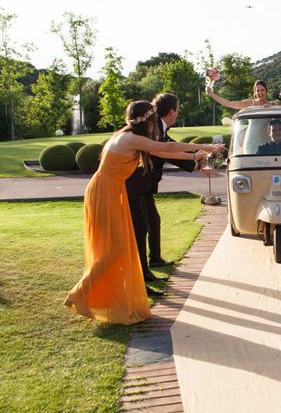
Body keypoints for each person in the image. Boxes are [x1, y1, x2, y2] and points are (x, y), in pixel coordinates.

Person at [64, 101, 221, 325]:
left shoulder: (131, 137)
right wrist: (203, 148)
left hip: (112, 190)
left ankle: (107, 296)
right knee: (114, 249)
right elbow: (167, 148)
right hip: (106, 192)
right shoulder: (130, 139)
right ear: (147, 120)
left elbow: (163, 152)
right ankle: (80, 295)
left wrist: (196, 157)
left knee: (120, 247)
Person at [125, 93, 208, 284]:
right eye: (178, 109)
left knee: (152, 221)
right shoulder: (150, 132)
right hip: (135, 185)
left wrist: (197, 164)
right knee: (142, 227)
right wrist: (198, 155)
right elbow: (168, 150)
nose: (178, 113)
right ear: (172, 111)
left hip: (143, 186)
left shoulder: (158, 129)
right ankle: (143, 271)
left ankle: (153, 260)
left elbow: (170, 150)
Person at [205, 68, 270, 109]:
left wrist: (270, 108)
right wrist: (212, 94)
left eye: (262, 90)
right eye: (257, 90)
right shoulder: (250, 103)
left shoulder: (272, 104)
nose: (260, 93)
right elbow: (228, 103)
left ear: (266, 90)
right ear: (254, 92)